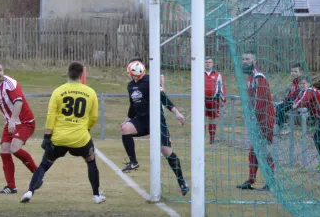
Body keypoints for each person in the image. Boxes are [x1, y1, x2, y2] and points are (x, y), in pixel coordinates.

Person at [20, 62, 106, 204]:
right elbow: (94, 117)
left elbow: (51, 116)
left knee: (43, 165)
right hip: (80, 138)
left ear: (68, 73)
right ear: (81, 75)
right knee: (91, 162)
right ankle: (96, 196)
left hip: (59, 138)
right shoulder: (90, 93)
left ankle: (29, 192)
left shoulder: (58, 91)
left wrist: (47, 136)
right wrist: (87, 129)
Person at [120, 57, 190, 196]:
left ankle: (182, 182)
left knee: (166, 151)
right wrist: (127, 120)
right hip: (142, 121)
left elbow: (163, 97)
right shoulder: (130, 86)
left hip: (157, 121)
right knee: (125, 128)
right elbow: (132, 106)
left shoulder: (150, 81)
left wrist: (176, 112)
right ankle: (133, 162)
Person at [0, 62, 38, 194]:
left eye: (1, 70)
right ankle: (11, 186)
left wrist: (13, 120)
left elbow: (18, 102)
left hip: (25, 122)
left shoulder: (10, 83)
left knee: (14, 149)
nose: (0, 73)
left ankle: (38, 174)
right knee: (4, 151)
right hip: (12, 122)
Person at [236, 52, 275, 191]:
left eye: (247, 59)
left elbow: (260, 101)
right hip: (257, 120)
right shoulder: (250, 77)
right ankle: (251, 180)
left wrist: (255, 119)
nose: (245, 61)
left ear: (254, 60)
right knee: (253, 151)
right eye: (243, 59)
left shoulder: (259, 77)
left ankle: (271, 182)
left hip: (265, 120)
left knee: (264, 151)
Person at [293, 77, 320, 171]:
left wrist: (295, 106)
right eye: (300, 84)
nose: (302, 85)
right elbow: (298, 99)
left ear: (309, 83)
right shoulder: (304, 91)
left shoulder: (311, 90)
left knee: (319, 138)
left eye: (304, 83)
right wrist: (294, 104)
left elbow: (303, 101)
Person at [275, 63, 302, 135]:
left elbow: (301, 95)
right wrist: (284, 100)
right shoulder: (293, 82)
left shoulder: (301, 82)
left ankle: (283, 126)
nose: (293, 73)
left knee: (280, 108)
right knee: (278, 106)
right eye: (292, 71)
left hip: (297, 102)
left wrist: (294, 102)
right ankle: (281, 126)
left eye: (296, 71)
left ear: (300, 72)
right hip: (291, 101)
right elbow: (290, 94)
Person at [205, 56, 226, 144]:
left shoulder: (218, 75)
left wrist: (222, 100)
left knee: (212, 119)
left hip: (214, 100)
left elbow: (221, 88)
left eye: (209, 62)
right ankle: (200, 139)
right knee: (201, 119)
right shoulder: (199, 73)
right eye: (206, 62)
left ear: (212, 64)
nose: (208, 64)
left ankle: (212, 139)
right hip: (202, 100)